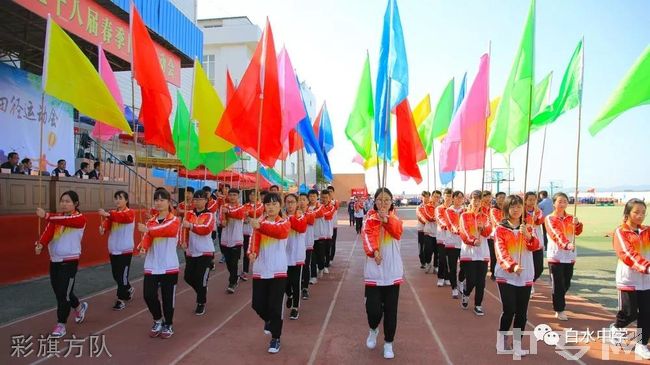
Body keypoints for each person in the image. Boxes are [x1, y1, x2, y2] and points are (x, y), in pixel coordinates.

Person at [34, 191, 89, 338]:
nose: (64, 204)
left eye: (68, 201)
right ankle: (79, 307)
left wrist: (46, 215)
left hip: (70, 261)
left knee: (63, 295)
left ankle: (61, 324)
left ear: (76, 204)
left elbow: (67, 221)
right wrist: (41, 244)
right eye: (62, 201)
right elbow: (47, 233)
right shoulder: (56, 218)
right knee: (62, 292)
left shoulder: (79, 218)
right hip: (55, 261)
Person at [494, 195, 540, 356]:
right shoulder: (500, 229)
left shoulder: (528, 227)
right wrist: (512, 267)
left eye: (519, 207)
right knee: (509, 310)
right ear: (506, 209)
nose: (516, 210)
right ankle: (502, 341)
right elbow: (500, 252)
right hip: (506, 275)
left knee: (522, 312)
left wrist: (528, 236)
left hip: (525, 274)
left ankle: (517, 344)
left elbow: (536, 246)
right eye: (512, 207)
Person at [362, 187, 403, 359]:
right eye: (380, 200)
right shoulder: (369, 219)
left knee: (391, 311)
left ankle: (388, 343)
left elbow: (397, 231)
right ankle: (373, 329)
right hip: (374, 272)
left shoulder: (395, 219)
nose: (383, 203)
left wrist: (386, 220)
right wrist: (375, 252)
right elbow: (367, 238)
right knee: (373, 310)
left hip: (393, 273)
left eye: (387, 200)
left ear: (392, 202)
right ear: (375, 201)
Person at [248, 192, 291, 354]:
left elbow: (280, 232)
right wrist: (251, 253)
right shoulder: (258, 222)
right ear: (264, 207)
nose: (271, 207)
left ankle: (276, 338)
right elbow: (253, 241)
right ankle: (269, 321)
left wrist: (259, 226)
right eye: (267, 204)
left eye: (274, 204)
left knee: (275, 306)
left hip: (278, 270)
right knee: (257, 304)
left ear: (280, 206)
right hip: (260, 270)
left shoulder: (284, 222)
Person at [137, 188, 180, 339]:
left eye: (162, 200)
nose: (159, 203)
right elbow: (146, 239)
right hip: (152, 264)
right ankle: (157, 320)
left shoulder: (174, 220)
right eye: (156, 200)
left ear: (169, 202)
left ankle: (168, 323)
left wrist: (148, 230)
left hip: (169, 265)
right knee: (148, 295)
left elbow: (166, 231)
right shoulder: (150, 221)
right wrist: (142, 248)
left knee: (168, 298)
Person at [610, 198, 650, 360]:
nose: (640, 216)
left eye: (643, 213)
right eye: (636, 212)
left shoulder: (647, 231)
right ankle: (616, 327)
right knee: (630, 313)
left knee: (647, 313)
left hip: (647, 281)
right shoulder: (621, 232)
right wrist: (646, 267)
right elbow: (626, 254)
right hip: (628, 279)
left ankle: (642, 344)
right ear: (627, 213)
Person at [545, 192, 583, 321]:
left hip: (570, 256)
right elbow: (555, 234)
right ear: (554, 203)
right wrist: (566, 244)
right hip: (555, 255)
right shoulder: (550, 218)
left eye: (564, 201)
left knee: (566, 283)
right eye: (559, 201)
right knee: (558, 284)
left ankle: (558, 297)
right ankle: (559, 309)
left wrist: (577, 224)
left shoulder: (571, 218)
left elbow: (577, 232)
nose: (562, 204)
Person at [98, 191, 135, 311]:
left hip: (125, 250)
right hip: (113, 249)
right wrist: (103, 228)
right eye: (116, 198)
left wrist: (107, 215)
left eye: (120, 198)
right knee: (116, 275)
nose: (118, 201)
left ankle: (120, 300)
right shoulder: (112, 214)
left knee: (122, 276)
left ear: (126, 200)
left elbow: (122, 218)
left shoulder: (130, 213)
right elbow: (107, 225)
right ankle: (128, 288)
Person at [181, 190, 215, 316]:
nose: (197, 201)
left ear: (206, 201)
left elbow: (205, 229)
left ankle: (201, 302)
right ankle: (202, 290)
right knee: (188, 277)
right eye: (195, 199)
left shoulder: (209, 215)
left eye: (200, 199)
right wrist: (183, 241)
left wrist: (190, 226)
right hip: (191, 251)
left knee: (200, 279)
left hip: (205, 251)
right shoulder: (189, 214)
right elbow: (183, 229)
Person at [458, 190, 492, 315]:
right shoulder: (464, 215)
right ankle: (466, 294)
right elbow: (463, 232)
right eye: (475, 199)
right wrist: (473, 240)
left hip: (482, 253)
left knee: (481, 282)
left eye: (479, 200)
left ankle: (478, 304)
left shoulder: (485, 216)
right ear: (470, 200)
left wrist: (483, 228)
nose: (477, 202)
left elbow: (489, 231)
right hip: (469, 253)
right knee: (471, 280)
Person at [284, 193, 307, 320]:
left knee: (296, 282)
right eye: (288, 202)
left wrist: (288, 218)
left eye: (292, 202)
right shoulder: (280, 216)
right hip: (283, 255)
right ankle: (290, 295)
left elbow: (301, 228)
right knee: (284, 283)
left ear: (297, 203)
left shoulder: (301, 216)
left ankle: (295, 308)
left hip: (297, 254)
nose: (290, 204)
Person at [221, 188, 247, 293]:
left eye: (234, 195)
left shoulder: (242, 207)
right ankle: (234, 275)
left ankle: (232, 282)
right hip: (225, 237)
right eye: (230, 195)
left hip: (236, 238)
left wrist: (228, 211)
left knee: (234, 261)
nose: (232, 197)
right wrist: (222, 220)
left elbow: (239, 214)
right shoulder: (223, 206)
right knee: (228, 262)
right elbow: (221, 220)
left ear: (238, 196)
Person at [445, 191, 466, 299]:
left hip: (463, 243)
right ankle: (454, 288)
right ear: (453, 199)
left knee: (464, 267)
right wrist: (461, 230)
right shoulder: (449, 211)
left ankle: (461, 281)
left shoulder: (466, 211)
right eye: (457, 198)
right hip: (452, 243)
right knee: (452, 267)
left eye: (461, 198)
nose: (459, 200)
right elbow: (452, 225)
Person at [524, 192, 545, 294]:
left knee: (539, 268)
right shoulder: (522, 212)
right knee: (527, 266)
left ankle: (531, 282)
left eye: (534, 200)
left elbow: (540, 221)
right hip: (526, 244)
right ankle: (527, 285)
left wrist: (537, 218)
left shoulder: (538, 211)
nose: (532, 202)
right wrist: (529, 219)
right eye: (530, 200)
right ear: (525, 200)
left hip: (538, 244)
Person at [242, 191, 263, 282]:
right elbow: (242, 214)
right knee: (246, 251)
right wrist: (245, 217)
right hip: (246, 232)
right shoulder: (245, 205)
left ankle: (258, 268)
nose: (252, 196)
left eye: (255, 194)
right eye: (251, 194)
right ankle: (245, 271)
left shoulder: (260, 205)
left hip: (257, 232)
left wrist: (248, 214)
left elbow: (257, 213)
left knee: (258, 251)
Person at [435, 189, 453, 287]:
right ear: (443, 197)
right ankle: (441, 277)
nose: (448, 198)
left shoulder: (454, 209)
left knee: (450, 260)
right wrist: (450, 226)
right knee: (442, 259)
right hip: (442, 237)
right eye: (447, 196)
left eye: (450, 196)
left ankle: (447, 277)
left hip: (452, 239)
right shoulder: (439, 208)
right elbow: (440, 219)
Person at [299, 192, 315, 299]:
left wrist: (300, 214)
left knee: (305, 266)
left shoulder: (311, 212)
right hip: (296, 244)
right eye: (299, 200)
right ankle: (297, 286)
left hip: (307, 243)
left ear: (307, 201)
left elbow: (309, 220)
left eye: (303, 199)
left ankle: (305, 288)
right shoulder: (294, 213)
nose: (301, 202)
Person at [489, 192, 506, 281]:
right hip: (495, 235)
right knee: (494, 256)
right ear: (496, 198)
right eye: (500, 197)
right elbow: (496, 221)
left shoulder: (507, 209)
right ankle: (493, 272)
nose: (502, 199)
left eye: (504, 197)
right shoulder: (493, 210)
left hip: (506, 235)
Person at [327, 185, 340, 265]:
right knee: (327, 244)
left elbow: (336, 206)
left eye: (331, 191)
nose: (329, 193)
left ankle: (331, 258)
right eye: (328, 191)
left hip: (333, 225)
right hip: (326, 226)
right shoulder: (322, 202)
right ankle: (326, 258)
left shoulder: (335, 202)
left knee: (332, 243)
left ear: (333, 192)